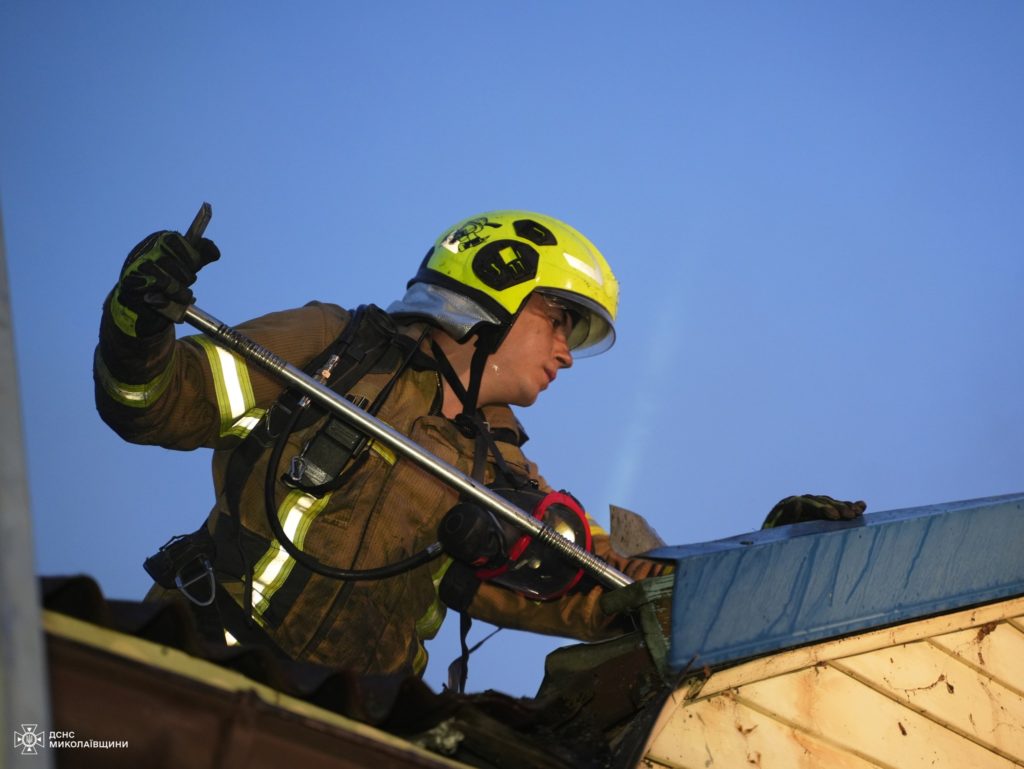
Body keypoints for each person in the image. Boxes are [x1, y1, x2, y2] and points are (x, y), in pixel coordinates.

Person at [94, 209, 865, 681]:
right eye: (559, 320)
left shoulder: (502, 475)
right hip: (200, 657)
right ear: (494, 284)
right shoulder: (336, 347)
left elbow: (611, 591)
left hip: (350, 721)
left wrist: (769, 559)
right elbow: (159, 403)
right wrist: (138, 324)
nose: (566, 352)